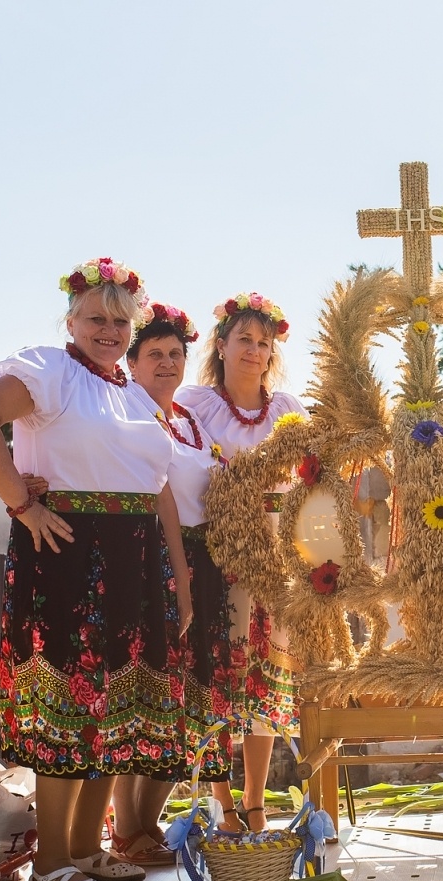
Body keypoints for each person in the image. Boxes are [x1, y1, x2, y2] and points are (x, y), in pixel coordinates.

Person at [0, 257, 194, 881]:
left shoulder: (130, 391)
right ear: (71, 319)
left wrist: (180, 580)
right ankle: (50, 860)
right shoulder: (50, 370)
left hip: (135, 560)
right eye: (96, 318)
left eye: (120, 320)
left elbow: (159, 489)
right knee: (72, 706)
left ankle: (86, 849)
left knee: (115, 710)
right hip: (68, 555)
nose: (109, 330)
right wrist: (21, 503)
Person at [175, 291, 306, 832]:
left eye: (263, 342)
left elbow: (308, 479)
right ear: (222, 346)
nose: (254, 350)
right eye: (243, 340)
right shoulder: (197, 406)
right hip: (217, 551)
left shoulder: (289, 411)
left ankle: (256, 802)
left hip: (275, 555)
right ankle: (221, 802)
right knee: (218, 677)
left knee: (265, 679)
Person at [104, 302, 211, 864]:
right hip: (152, 557)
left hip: (198, 558)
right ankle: (129, 828)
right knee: (145, 692)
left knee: (189, 700)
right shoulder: (127, 409)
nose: (166, 363)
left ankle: (148, 821)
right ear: (134, 362)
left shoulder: (190, 419)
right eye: (154, 355)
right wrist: (180, 577)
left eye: (175, 354)